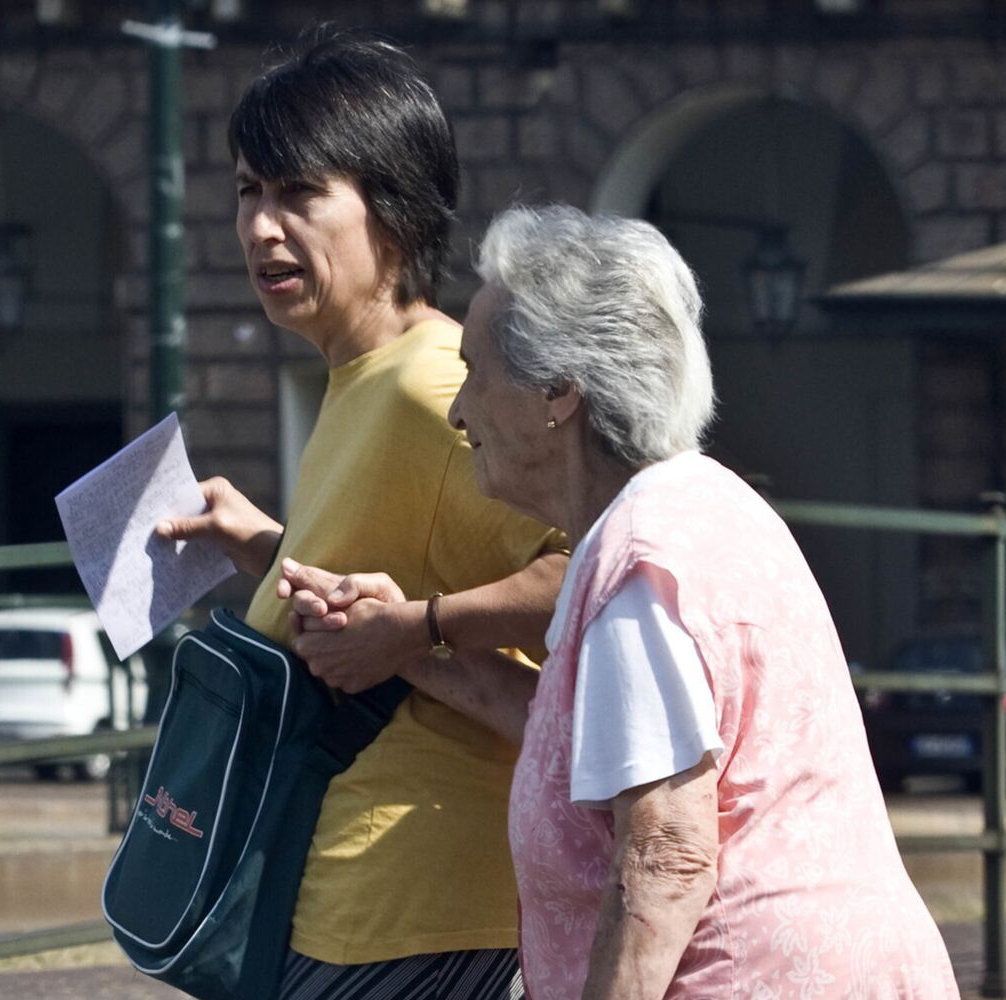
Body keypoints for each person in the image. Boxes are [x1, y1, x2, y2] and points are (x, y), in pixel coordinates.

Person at [283, 205, 960, 997]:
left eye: (476, 373)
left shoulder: (640, 561)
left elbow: (666, 858)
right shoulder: (703, 504)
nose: (460, 410)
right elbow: (573, 734)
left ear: (558, 392)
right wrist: (396, 639)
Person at [155, 33, 568, 1000]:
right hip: (348, 899)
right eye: (249, 191)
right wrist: (263, 543)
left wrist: (420, 632)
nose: (261, 228)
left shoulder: (435, 386)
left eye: (299, 194)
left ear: (393, 209)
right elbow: (397, 563)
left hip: (411, 916)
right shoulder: (362, 376)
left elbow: (604, 567)